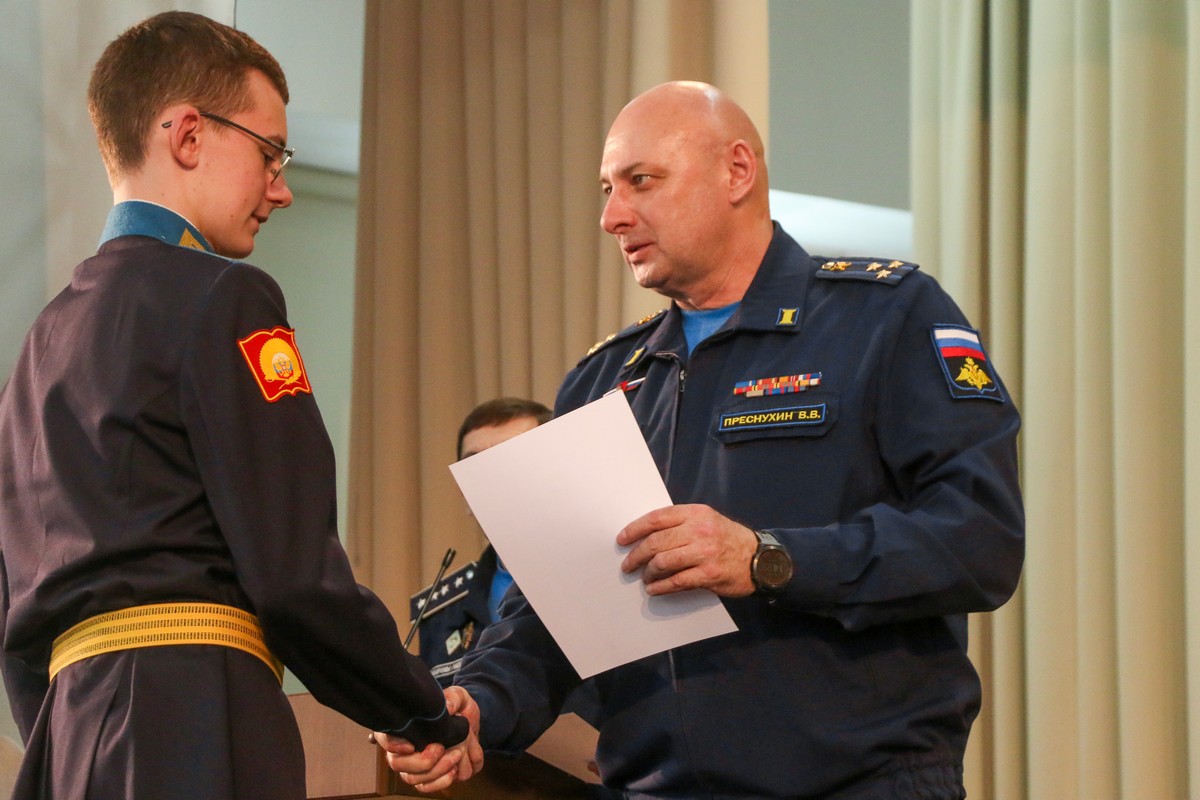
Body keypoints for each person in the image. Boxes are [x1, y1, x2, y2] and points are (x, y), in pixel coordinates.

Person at [384, 81, 1024, 798]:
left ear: (737, 171)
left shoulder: (884, 319)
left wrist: (767, 559)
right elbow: (556, 616)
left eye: (642, 181)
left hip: (860, 782)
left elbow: (980, 541)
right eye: (607, 190)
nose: (612, 216)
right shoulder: (600, 381)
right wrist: (479, 705)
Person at [0, 11, 477, 799]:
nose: (281, 190)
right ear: (189, 135)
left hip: (64, 747)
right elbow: (295, 577)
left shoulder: (38, 347)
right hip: (195, 728)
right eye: (269, 153)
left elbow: (16, 624)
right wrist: (422, 712)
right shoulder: (228, 297)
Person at [408, 397, 553, 687]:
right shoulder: (441, 613)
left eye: (508, 460)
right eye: (473, 465)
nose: (488, 478)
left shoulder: (605, 575)